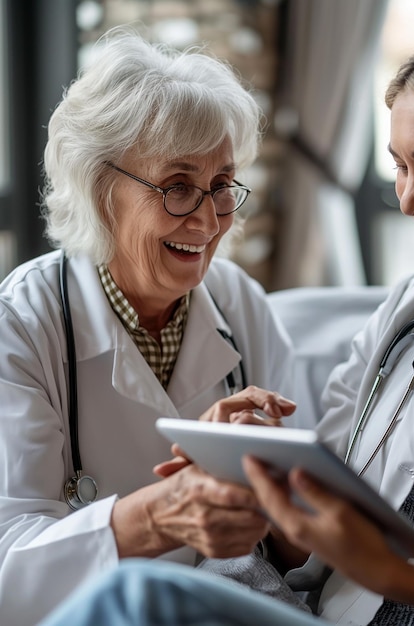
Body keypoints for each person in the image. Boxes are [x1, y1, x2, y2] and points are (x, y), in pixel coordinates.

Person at [39, 8, 414, 626]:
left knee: (139, 598)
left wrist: (389, 571)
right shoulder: (404, 318)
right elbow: (312, 556)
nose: (407, 198)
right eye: (399, 167)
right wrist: (264, 484)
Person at [0, 26, 298, 626]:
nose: (210, 220)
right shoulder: (24, 321)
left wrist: (270, 487)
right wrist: (160, 515)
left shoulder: (241, 303)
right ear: (100, 189)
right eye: (179, 186)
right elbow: (10, 567)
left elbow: (303, 553)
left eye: (220, 186)